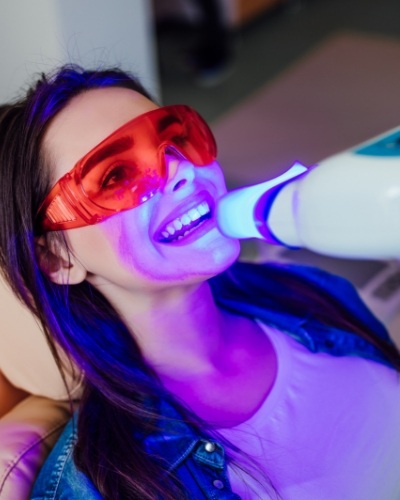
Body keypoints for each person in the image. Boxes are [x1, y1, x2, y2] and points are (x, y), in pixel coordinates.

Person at [0, 65, 399, 500]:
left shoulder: (310, 289)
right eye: (116, 176)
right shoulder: (94, 488)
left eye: (176, 139)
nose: (181, 171)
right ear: (57, 257)